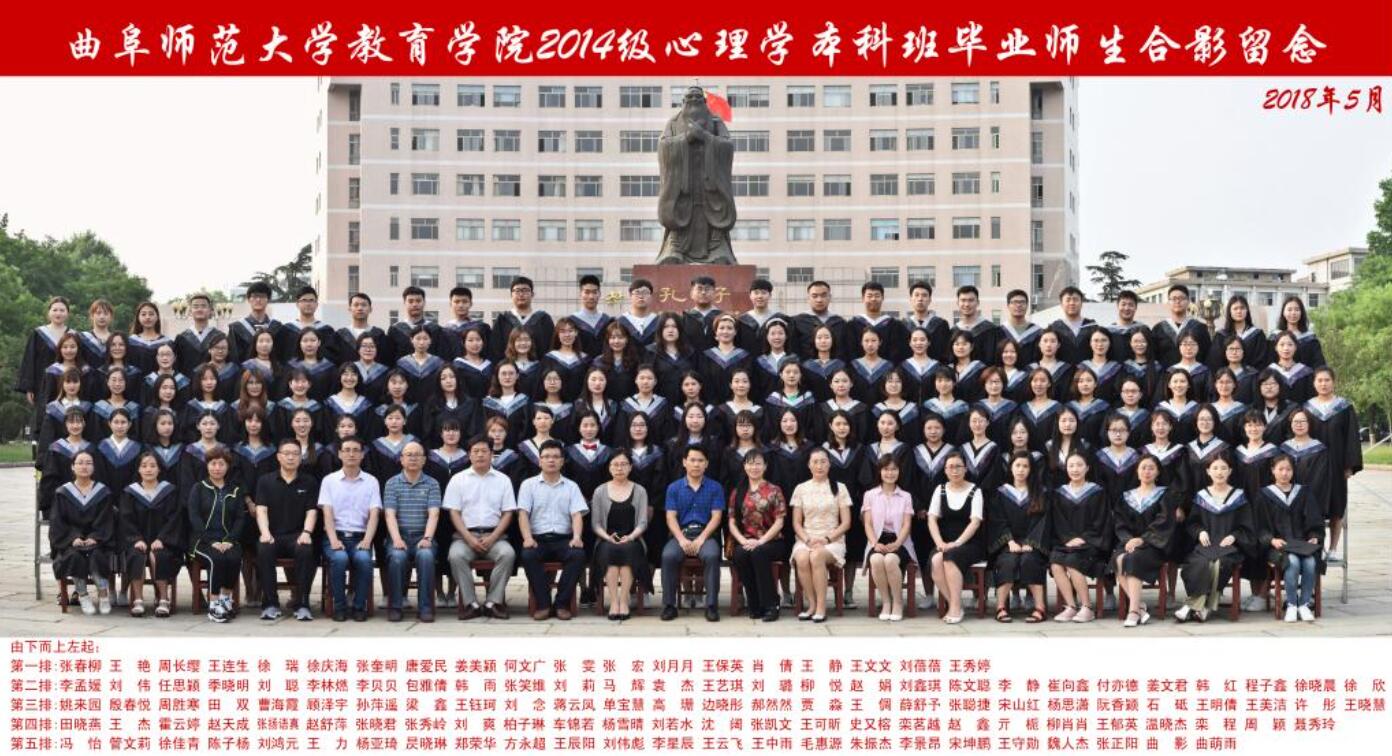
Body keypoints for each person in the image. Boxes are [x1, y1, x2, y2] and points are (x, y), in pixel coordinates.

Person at [444, 436, 519, 620]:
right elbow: (454, 513)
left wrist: (493, 537)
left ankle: (493, 602)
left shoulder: (503, 480)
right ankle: (471, 604)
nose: (480, 455)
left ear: (492, 454)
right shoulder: (458, 479)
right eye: (475, 451)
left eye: (484, 451)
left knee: (508, 554)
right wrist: (469, 538)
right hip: (465, 536)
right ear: (469, 455)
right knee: (456, 556)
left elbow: (508, 513)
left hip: (495, 536)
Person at [1176, 453, 1254, 623]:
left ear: (1230, 471)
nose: (1219, 472)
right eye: (1215, 468)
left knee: (1219, 563)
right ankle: (1204, 607)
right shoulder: (1201, 496)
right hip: (1206, 545)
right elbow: (1192, 523)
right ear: (1208, 471)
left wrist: (1234, 536)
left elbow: (1247, 525)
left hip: (1229, 547)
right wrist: (1200, 532)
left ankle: (1193, 605)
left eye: (1224, 468)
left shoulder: (1239, 497)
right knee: (1200, 563)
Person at [518, 440, 588, 620]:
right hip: (538, 539)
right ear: (539, 461)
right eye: (547, 456)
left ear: (562, 461)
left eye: (556, 457)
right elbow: (523, 514)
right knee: (528, 555)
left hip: (563, 539)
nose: (551, 460)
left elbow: (577, 515)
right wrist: (527, 538)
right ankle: (543, 604)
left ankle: (561, 604)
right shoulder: (528, 485)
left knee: (578, 555)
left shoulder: (571, 486)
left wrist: (577, 537)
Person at [253, 439, 319, 622]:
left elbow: (312, 511)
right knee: (264, 549)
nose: (291, 457)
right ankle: (270, 603)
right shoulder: (266, 481)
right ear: (278, 457)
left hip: (297, 535)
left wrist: (306, 533)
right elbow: (261, 510)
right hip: (273, 534)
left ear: (301, 457)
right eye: (286, 453)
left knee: (305, 550)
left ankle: (303, 603)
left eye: (295, 454)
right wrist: (265, 532)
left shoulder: (309, 481)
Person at [318, 438, 381, 622]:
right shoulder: (329, 481)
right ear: (339, 454)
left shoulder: (371, 481)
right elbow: (327, 513)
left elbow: (374, 514)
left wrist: (367, 540)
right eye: (347, 450)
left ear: (362, 454)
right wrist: (333, 540)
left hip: (360, 537)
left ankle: (359, 607)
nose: (351, 454)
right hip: (335, 536)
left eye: (355, 450)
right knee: (339, 559)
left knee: (364, 560)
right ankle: (339, 607)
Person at [661, 445, 725, 622]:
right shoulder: (674, 488)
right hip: (681, 534)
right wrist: (681, 540)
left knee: (712, 556)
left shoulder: (715, 487)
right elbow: (670, 517)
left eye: (700, 461)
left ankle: (711, 606)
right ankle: (669, 606)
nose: (696, 464)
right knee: (668, 556)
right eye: (692, 460)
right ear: (684, 462)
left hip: (706, 535)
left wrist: (701, 538)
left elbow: (716, 517)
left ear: (707, 464)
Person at [1113, 454, 1179, 627]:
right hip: (1130, 543)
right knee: (1118, 559)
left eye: (1151, 468)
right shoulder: (1127, 496)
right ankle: (1140, 607)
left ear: (1158, 472)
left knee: (1133, 558)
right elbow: (1120, 523)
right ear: (1137, 471)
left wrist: (1142, 540)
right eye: (1143, 468)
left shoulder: (1165, 494)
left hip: (1154, 545)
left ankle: (1133, 611)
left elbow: (1164, 522)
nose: (1147, 471)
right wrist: (1129, 539)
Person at [1256, 454, 1323, 622]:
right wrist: (1271, 540)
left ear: (1293, 471)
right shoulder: (1264, 495)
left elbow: (1315, 521)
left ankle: (1304, 604)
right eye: (1281, 469)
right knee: (1292, 562)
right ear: (1273, 470)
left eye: (1288, 469)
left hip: (1302, 545)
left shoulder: (1304, 493)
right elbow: (1259, 527)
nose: (1284, 473)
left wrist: (1314, 537)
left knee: (1310, 562)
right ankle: (1292, 604)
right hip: (1278, 547)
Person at [49, 449, 115, 616]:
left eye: (88, 463)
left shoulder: (103, 492)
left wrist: (95, 537)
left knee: (97, 555)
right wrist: (73, 538)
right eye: (80, 463)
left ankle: (103, 595)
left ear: (94, 467)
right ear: (72, 467)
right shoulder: (62, 493)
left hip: (98, 542)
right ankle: (83, 595)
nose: (84, 466)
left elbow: (106, 519)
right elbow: (58, 522)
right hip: (70, 542)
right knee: (73, 556)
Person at [789, 447, 852, 622]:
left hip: (832, 540)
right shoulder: (801, 488)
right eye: (815, 462)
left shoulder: (840, 488)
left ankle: (821, 607)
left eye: (823, 461)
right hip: (806, 538)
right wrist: (807, 539)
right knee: (802, 558)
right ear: (809, 465)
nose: (819, 466)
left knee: (816, 556)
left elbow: (846, 522)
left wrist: (826, 539)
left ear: (829, 464)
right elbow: (796, 523)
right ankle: (812, 604)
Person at [1305, 367, 1361, 562]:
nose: (1323, 384)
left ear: (1333, 382)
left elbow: (1352, 438)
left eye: (1327, 380)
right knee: (1314, 506)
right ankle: (1317, 546)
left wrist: (1349, 466)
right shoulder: (1307, 408)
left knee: (1337, 506)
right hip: (1313, 466)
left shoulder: (1344, 407)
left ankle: (1333, 549)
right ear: (1314, 383)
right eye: (1319, 380)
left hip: (1337, 465)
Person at [119, 452, 184, 617]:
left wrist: (162, 539)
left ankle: (163, 599)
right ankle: (138, 600)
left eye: (153, 466)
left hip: (164, 542)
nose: (148, 469)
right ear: (138, 469)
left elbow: (174, 519)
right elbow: (126, 519)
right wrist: (136, 539)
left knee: (159, 554)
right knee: (136, 554)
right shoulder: (130, 492)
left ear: (159, 469)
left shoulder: (169, 491)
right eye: (144, 466)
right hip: (137, 541)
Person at [1047, 451, 1110, 623]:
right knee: (1055, 562)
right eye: (1071, 466)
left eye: (1079, 465)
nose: (1075, 469)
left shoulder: (1097, 492)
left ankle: (1087, 607)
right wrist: (1067, 538)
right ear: (1066, 469)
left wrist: (1084, 538)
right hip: (1066, 542)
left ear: (1087, 468)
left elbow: (1101, 520)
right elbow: (1057, 520)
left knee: (1073, 561)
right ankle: (1071, 606)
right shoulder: (1060, 493)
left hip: (1090, 543)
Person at [382, 441, 441, 622]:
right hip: (398, 536)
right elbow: (389, 515)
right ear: (401, 459)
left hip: (423, 536)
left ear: (424, 460)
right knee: (397, 557)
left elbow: (434, 514)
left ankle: (425, 607)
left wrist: (427, 538)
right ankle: (395, 606)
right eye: (409, 454)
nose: (413, 458)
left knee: (426, 556)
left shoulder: (432, 483)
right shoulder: (392, 483)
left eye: (417, 455)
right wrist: (397, 539)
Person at [987, 451, 1049, 623]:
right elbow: (997, 520)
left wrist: (1031, 542)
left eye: (1025, 466)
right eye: (1017, 465)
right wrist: (1009, 541)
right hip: (1009, 542)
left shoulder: (1040, 493)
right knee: (1008, 561)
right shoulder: (1001, 493)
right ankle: (1000, 607)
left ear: (1031, 469)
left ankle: (1040, 607)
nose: (1021, 470)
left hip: (1033, 542)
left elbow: (1043, 521)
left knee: (1030, 560)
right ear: (1011, 468)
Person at [186, 446, 245, 622]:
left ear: (227, 467)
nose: (217, 468)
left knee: (234, 557)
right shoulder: (198, 488)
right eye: (213, 464)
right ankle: (213, 605)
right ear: (207, 465)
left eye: (221, 464)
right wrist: (211, 541)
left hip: (228, 540)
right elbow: (194, 517)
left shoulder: (235, 490)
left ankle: (226, 599)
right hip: (202, 541)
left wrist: (230, 540)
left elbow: (240, 518)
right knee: (217, 559)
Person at [727, 449, 787, 622]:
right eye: (750, 463)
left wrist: (761, 541)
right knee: (740, 554)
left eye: (758, 463)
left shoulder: (774, 490)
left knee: (758, 553)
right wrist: (742, 541)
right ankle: (754, 604)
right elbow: (732, 522)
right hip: (746, 540)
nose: (754, 467)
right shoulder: (738, 491)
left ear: (765, 466)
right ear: (744, 466)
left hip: (772, 541)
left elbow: (779, 522)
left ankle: (771, 604)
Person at [591, 450, 651, 620]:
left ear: (630, 467)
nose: (619, 468)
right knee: (610, 553)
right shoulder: (600, 491)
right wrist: (606, 537)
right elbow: (595, 524)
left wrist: (631, 537)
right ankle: (614, 602)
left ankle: (623, 601)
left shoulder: (640, 491)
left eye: (623, 464)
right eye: (615, 465)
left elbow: (642, 522)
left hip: (633, 538)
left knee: (628, 554)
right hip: (606, 538)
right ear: (609, 468)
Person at [927, 450, 986, 623]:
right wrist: (939, 542)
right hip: (944, 542)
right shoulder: (940, 489)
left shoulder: (975, 490)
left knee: (949, 558)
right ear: (945, 470)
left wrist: (957, 543)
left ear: (965, 469)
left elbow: (975, 522)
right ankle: (956, 604)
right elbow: (931, 519)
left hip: (970, 543)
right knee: (936, 560)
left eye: (958, 466)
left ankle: (954, 609)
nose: (954, 470)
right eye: (950, 467)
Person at [860, 455, 916, 622]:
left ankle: (898, 602)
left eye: (894, 469)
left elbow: (907, 525)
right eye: (886, 469)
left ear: (899, 472)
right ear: (879, 471)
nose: (890, 473)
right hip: (877, 539)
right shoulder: (870, 495)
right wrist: (874, 543)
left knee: (891, 560)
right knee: (876, 560)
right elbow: (868, 524)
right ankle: (886, 602)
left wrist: (897, 543)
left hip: (900, 540)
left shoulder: (905, 496)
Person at [17, 297, 73, 410]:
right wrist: (29, 388)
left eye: (62, 310)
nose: (58, 313)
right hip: (42, 385)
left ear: (67, 313)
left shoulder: (73, 335)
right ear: (49, 313)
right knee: (43, 416)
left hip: (68, 384)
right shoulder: (38, 334)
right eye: (55, 310)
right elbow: (29, 360)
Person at [491, 276, 555, 362]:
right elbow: (495, 350)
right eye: (517, 291)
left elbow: (551, 347)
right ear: (511, 295)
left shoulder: (544, 319)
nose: (521, 294)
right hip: (508, 368)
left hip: (539, 368)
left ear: (532, 294)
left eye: (525, 290)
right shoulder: (502, 320)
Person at [847, 281, 908, 362]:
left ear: (882, 298)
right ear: (863, 299)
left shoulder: (895, 325)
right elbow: (850, 353)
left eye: (877, 296)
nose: (873, 299)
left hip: (890, 369)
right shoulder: (852, 325)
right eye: (869, 296)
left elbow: (900, 353)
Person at [1152, 284, 1211, 368]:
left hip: (1194, 374)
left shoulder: (1199, 328)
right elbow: (1153, 357)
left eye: (1181, 298)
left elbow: (1207, 355)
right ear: (1168, 302)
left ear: (1188, 301)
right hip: (1166, 374)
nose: (1177, 301)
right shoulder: (1158, 329)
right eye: (1174, 299)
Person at [275, 286, 336, 365]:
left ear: (317, 304)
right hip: (292, 372)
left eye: (311, 300)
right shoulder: (286, 330)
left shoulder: (327, 331)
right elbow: (280, 357)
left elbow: (332, 358)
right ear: (297, 304)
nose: (308, 304)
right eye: (304, 300)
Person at [388, 286, 447, 362]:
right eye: (410, 301)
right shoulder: (395, 330)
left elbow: (441, 356)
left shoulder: (435, 329)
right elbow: (390, 358)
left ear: (424, 303)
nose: (415, 304)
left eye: (418, 301)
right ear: (404, 303)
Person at [792, 280, 848, 360]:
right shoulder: (797, 322)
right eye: (814, 296)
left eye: (823, 295)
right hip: (805, 366)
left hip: (835, 366)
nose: (819, 300)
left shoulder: (840, 323)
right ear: (808, 298)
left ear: (830, 297)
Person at [331, 291, 390, 366]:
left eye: (364, 305)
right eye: (356, 305)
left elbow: (385, 361)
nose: (360, 308)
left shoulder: (379, 335)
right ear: (349, 309)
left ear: (370, 309)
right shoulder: (339, 336)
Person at [173, 293, 227, 375]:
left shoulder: (220, 337)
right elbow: (177, 366)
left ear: (210, 311)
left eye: (203, 306)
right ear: (190, 311)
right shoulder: (181, 338)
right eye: (195, 306)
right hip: (188, 382)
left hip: (213, 381)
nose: (199, 309)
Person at [229, 281, 281, 364]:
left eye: (262, 296)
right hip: (245, 371)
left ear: (268, 299)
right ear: (249, 300)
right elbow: (234, 357)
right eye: (254, 296)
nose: (258, 300)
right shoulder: (236, 328)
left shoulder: (276, 326)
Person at [902, 280, 951, 364]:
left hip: (937, 369)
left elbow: (945, 353)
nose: (920, 299)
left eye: (924, 295)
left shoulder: (941, 325)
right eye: (916, 295)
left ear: (930, 300)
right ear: (911, 299)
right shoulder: (903, 325)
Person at [1047, 286, 1098, 364]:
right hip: (1062, 370)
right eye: (1068, 300)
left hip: (1087, 370)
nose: (1072, 303)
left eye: (1075, 299)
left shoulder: (1092, 326)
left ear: (1081, 303)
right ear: (1061, 304)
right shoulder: (1054, 328)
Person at [1271, 295, 1325, 369]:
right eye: (1289, 310)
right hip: (1278, 375)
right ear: (1283, 312)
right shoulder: (1275, 337)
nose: (1293, 313)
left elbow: (1318, 364)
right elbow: (1269, 363)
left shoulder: (1310, 338)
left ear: (1301, 312)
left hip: (1306, 376)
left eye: (1297, 309)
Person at [736, 278, 786, 355]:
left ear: (770, 295)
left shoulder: (780, 319)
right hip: (748, 360)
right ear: (750, 296)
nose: (760, 296)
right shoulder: (741, 321)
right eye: (756, 293)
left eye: (764, 293)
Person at [570, 274, 613, 357]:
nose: (591, 297)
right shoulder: (572, 322)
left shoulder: (607, 321)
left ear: (599, 294)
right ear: (580, 294)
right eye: (587, 292)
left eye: (594, 292)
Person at [681, 275, 724, 353]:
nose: (703, 292)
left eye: (707, 289)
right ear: (691, 294)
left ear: (715, 293)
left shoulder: (723, 317)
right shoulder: (684, 319)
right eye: (699, 289)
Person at [618, 278, 659, 348]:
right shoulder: (620, 322)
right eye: (637, 293)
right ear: (630, 295)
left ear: (651, 296)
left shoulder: (659, 321)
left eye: (645, 292)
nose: (641, 296)